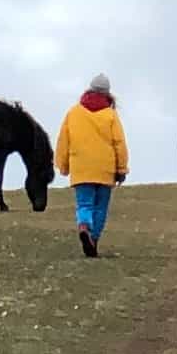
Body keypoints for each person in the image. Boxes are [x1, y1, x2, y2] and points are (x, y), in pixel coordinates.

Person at [56, 77, 128, 254]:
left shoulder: (73, 113)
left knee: (84, 204)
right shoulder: (110, 115)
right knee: (101, 206)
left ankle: (84, 226)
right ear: (107, 93)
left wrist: (63, 165)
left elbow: (63, 141)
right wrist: (121, 169)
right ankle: (93, 239)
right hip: (105, 168)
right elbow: (119, 143)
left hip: (81, 168)